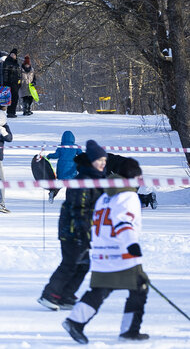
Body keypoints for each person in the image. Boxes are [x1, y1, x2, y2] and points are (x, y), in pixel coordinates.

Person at [63, 158, 149, 343]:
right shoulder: (128, 195)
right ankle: (130, 331)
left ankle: (75, 321)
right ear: (133, 176)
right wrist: (131, 244)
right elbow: (124, 221)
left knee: (101, 288)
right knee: (139, 286)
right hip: (122, 251)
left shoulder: (105, 195)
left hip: (103, 251)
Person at [39, 140, 113, 312]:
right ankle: (49, 295)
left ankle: (66, 296)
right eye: (100, 161)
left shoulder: (98, 179)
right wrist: (84, 228)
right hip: (72, 230)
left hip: (85, 230)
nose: (103, 164)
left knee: (84, 264)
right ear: (91, 161)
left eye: (104, 161)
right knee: (71, 263)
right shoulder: (82, 180)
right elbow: (79, 208)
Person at [45, 130, 82, 203]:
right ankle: (71, 199)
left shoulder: (61, 147)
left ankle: (53, 193)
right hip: (71, 169)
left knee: (60, 183)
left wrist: (49, 156)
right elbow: (81, 155)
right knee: (71, 185)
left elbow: (56, 155)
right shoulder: (75, 147)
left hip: (62, 168)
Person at [2, 48, 22, 118]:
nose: (13, 56)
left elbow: (19, 75)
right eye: (12, 54)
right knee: (10, 98)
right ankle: (10, 112)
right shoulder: (7, 62)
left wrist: (19, 83)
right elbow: (5, 73)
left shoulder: (16, 63)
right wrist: (5, 83)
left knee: (15, 97)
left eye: (14, 55)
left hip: (15, 83)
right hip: (9, 83)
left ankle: (12, 112)